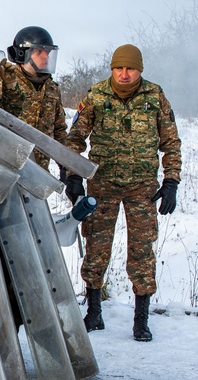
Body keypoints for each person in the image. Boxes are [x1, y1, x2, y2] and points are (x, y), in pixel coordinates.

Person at [64, 44, 181, 343]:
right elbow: (75, 138)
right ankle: (94, 312)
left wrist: (171, 182)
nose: (125, 74)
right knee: (97, 248)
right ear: (112, 69)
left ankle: (140, 321)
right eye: (119, 68)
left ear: (140, 70)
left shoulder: (155, 97)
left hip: (142, 188)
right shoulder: (96, 96)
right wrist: (73, 174)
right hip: (102, 186)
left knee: (142, 253)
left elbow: (171, 143)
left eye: (130, 68)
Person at [0, 26, 66, 170]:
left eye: (47, 52)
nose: (45, 56)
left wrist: (68, 169)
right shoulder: (4, 84)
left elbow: (59, 131)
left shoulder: (52, 88)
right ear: (23, 54)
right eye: (39, 51)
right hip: (9, 169)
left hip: (41, 173)